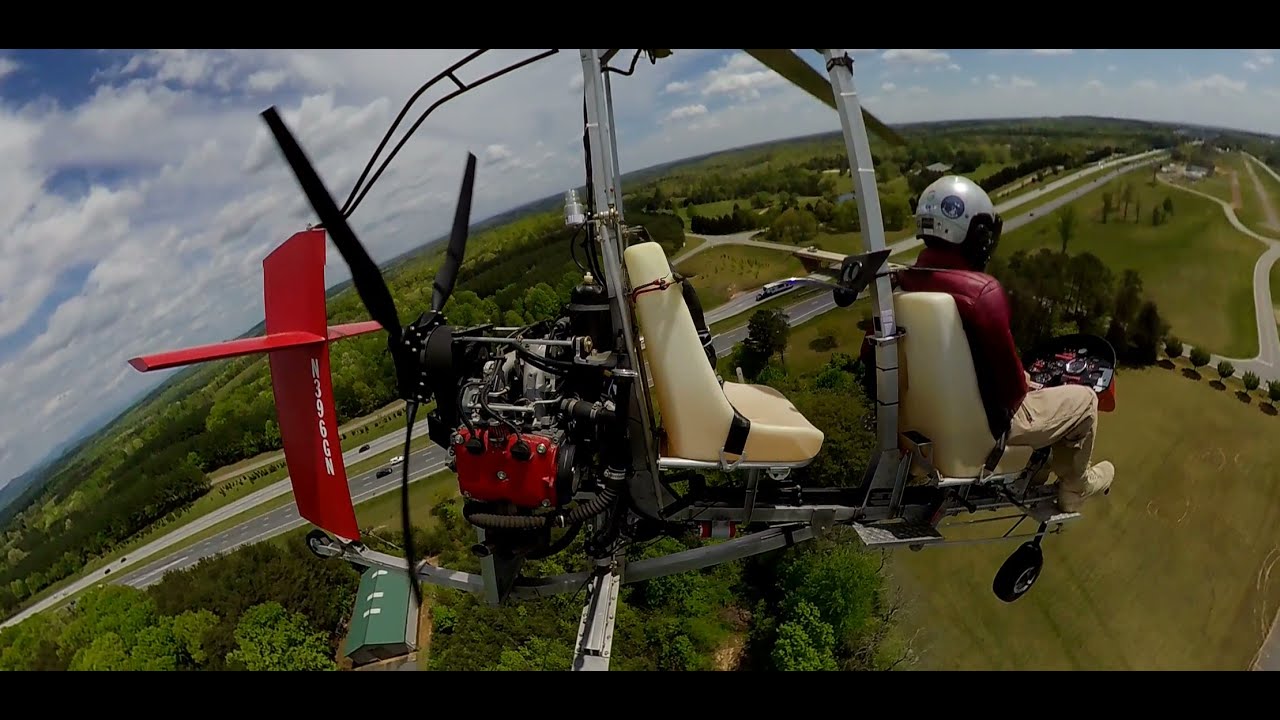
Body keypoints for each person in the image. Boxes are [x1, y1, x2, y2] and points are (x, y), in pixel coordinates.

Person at [858, 175, 1113, 512]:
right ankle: (1075, 487)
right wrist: (1030, 383)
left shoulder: (900, 287)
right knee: (1083, 399)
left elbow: (871, 362)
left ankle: (1039, 471)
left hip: (922, 434)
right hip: (987, 433)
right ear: (977, 235)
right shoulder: (981, 293)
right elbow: (1012, 394)